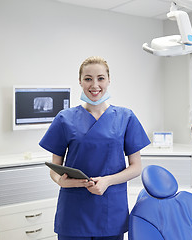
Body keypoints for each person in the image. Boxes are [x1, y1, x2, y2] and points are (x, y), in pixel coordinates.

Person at [39, 56, 151, 240]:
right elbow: (54, 168)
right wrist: (61, 181)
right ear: (80, 81)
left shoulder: (125, 117)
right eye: (88, 79)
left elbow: (136, 167)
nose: (95, 85)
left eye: (100, 78)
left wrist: (107, 181)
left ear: (108, 80)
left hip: (110, 207)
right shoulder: (65, 118)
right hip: (73, 209)